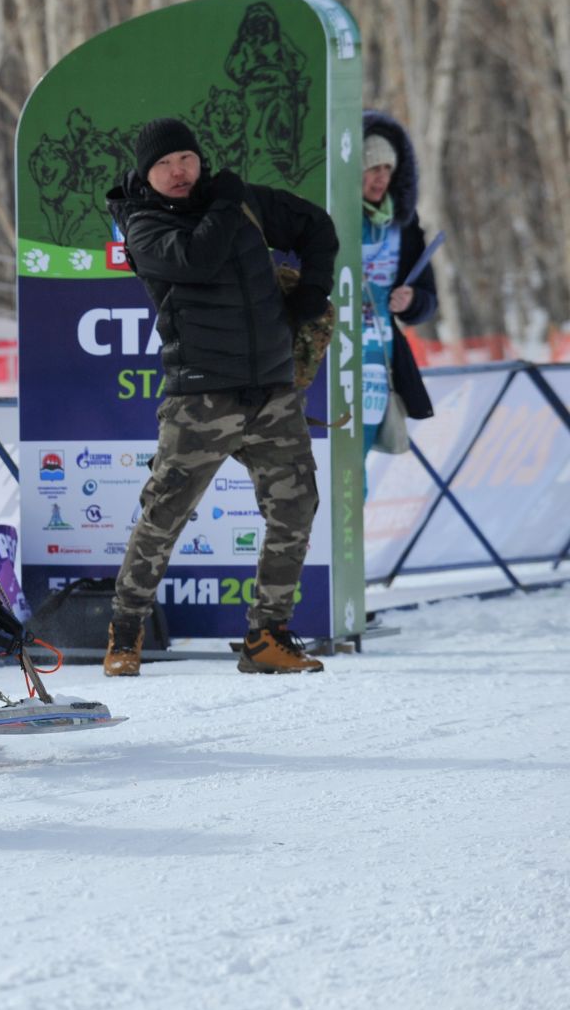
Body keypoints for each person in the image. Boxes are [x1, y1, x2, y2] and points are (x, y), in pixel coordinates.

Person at [103, 117, 338, 676]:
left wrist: (313, 289)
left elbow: (317, 226)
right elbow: (196, 258)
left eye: (185, 158)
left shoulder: (239, 202)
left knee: (295, 507)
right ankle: (125, 632)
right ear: (146, 173)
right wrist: (228, 205)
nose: (178, 171)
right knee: (164, 515)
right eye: (163, 164)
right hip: (201, 398)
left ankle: (267, 637)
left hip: (273, 391)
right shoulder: (142, 224)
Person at [358, 110, 439, 456]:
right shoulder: (329, 216)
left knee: (357, 467)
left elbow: (428, 299)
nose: (381, 178)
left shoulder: (402, 221)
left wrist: (411, 300)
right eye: (373, 168)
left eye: (388, 169)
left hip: (382, 365)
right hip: (335, 358)